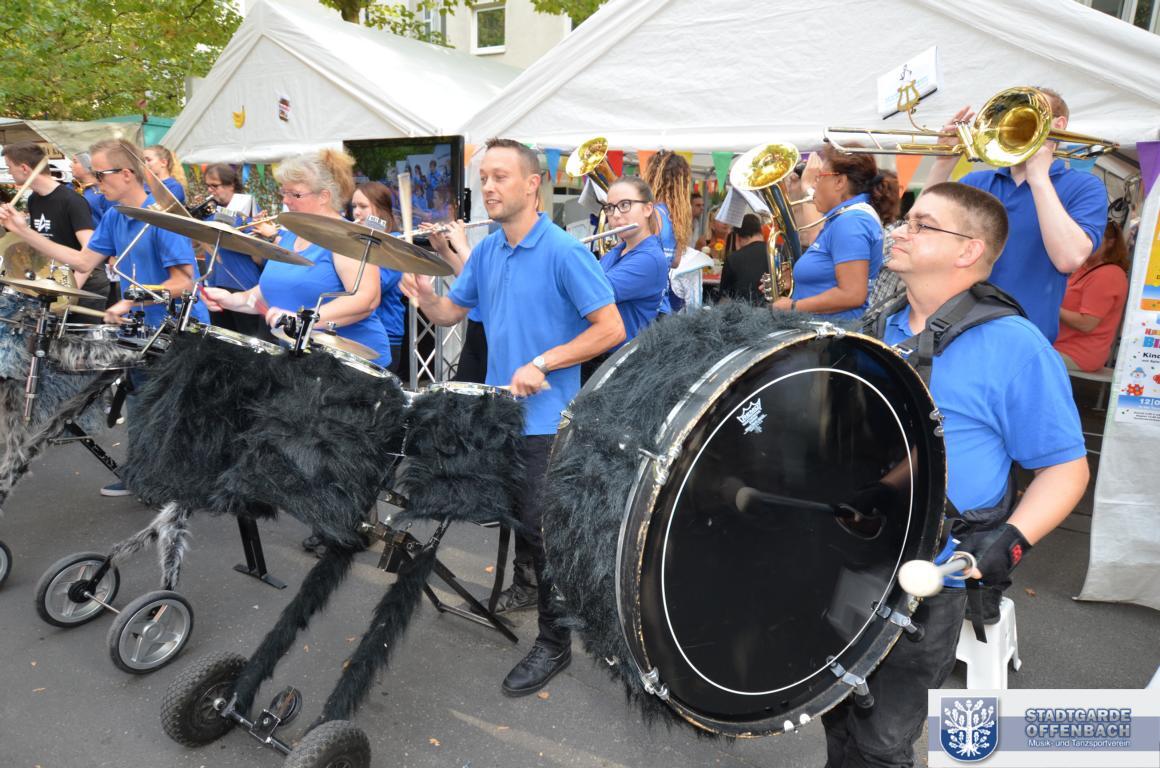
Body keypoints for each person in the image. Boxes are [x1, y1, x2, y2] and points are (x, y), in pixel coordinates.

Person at [828, 181, 1089, 768]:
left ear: (968, 250)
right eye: (905, 220)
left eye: (921, 224)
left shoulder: (1015, 346)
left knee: (881, 740)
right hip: (854, 550)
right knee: (836, 708)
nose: (900, 231)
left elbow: (1065, 468)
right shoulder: (879, 326)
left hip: (934, 570)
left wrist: (1008, 544)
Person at [402, 137, 624, 697]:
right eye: (484, 178)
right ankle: (533, 594)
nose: (488, 187)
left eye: (500, 176)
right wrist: (425, 295)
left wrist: (543, 362)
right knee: (521, 524)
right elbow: (451, 312)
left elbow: (611, 329)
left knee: (545, 534)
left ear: (533, 184)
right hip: (502, 416)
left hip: (548, 422)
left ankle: (555, 641)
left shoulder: (564, 252)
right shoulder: (489, 252)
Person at [0, 138, 211, 497]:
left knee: (174, 407)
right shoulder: (114, 216)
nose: (95, 182)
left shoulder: (163, 219)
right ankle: (144, 475)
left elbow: (183, 282)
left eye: (100, 174)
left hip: (177, 327)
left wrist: (131, 300)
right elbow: (82, 261)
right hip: (139, 328)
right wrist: (23, 232)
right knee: (139, 399)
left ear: (127, 173)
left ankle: (183, 480)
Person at [925, 87, 1108, 342]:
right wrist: (943, 164)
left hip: (1024, 335)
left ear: (1059, 125)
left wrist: (1039, 179)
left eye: (1032, 115)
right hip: (955, 327)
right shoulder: (977, 181)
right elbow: (921, 231)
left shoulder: (1085, 186)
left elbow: (1068, 259)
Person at [202, 149, 390, 366]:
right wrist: (233, 299)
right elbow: (272, 290)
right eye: (284, 193)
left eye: (295, 194)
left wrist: (302, 319)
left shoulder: (348, 238)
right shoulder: (291, 236)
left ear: (324, 196)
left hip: (350, 363)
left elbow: (366, 299)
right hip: (302, 360)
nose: (286, 201)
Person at [772, 144, 898, 320]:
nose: (815, 185)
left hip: (831, 331)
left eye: (819, 177)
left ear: (839, 182)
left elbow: (852, 294)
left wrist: (793, 306)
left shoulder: (852, 221)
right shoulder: (846, 218)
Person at [1, 141, 112, 315]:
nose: (9, 172)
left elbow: (89, 251)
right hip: (54, 283)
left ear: (24, 168)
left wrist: (69, 294)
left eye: (9, 167)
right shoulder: (34, 200)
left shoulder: (72, 200)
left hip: (84, 285)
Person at [579, 176, 668, 382]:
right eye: (610, 207)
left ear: (647, 209)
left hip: (619, 368)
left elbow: (593, 292)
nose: (616, 214)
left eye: (625, 205)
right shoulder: (616, 252)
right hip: (598, 357)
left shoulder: (650, 259)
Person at [1054, 219, 1129, 372]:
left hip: (1078, 354)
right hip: (1059, 346)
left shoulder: (1108, 275)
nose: (1085, 243)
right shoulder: (1084, 267)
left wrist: (1051, 307)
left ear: (1110, 243)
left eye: (1093, 238)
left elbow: (1087, 324)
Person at [200, 163, 266, 337]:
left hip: (243, 286)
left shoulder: (248, 208)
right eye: (208, 186)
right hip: (216, 282)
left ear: (231, 185)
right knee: (221, 339)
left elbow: (259, 253)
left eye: (215, 186)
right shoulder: (210, 211)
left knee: (247, 339)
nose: (210, 191)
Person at [351, 181, 406, 373]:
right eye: (354, 206)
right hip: (355, 332)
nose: (356, 212)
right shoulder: (358, 241)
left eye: (363, 206)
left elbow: (377, 285)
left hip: (386, 334)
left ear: (381, 210)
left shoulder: (394, 243)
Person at [640, 149, 693, 313]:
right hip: (662, 303)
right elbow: (675, 262)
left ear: (651, 176)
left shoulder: (650, 213)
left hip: (642, 303)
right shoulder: (677, 218)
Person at [718, 213, 769, 305]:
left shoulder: (733, 258)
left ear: (737, 237)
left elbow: (724, 298)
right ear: (760, 231)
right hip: (777, 310)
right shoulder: (778, 251)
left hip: (742, 312)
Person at [71, 151, 111, 229]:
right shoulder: (69, 188)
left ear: (88, 165)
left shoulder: (105, 192)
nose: (70, 165)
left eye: (75, 162)